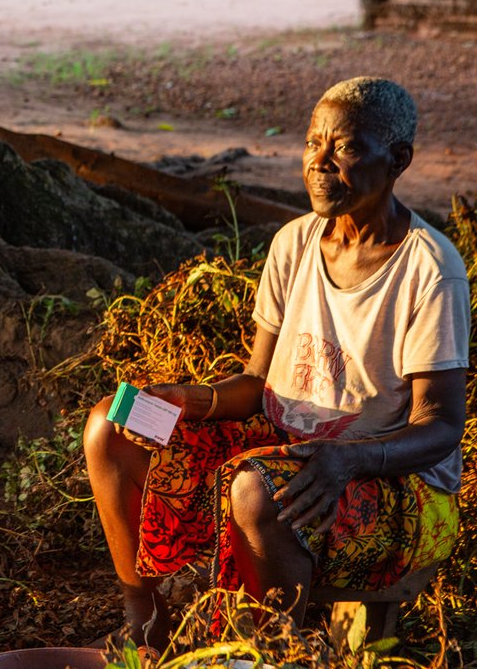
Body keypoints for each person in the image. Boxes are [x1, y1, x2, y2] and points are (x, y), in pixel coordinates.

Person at [83, 77, 469, 648]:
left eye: (347, 147)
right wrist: (198, 399)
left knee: (256, 490)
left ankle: (267, 652)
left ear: (398, 160)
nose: (320, 163)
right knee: (110, 428)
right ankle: (146, 627)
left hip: (395, 484)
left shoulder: (430, 269)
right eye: (313, 144)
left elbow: (440, 428)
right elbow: (259, 382)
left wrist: (347, 462)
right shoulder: (294, 243)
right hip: (281, 440)